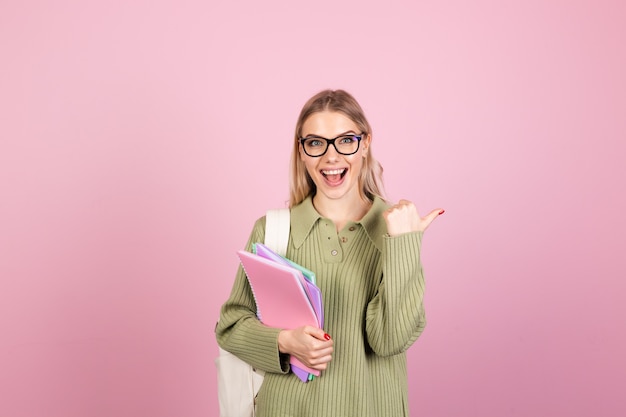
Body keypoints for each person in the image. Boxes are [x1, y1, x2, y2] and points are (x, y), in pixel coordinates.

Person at [216, 89, 443, 417]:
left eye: (346, 140)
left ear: (365, 144)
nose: (331, 157)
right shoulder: (274, 230)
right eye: (316, 142)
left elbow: (390, 340)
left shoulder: (396, 229)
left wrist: (404, 245)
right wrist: (285, 341)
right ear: (302, 151)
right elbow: (230, 326)